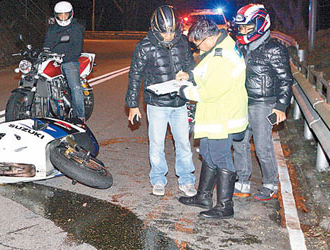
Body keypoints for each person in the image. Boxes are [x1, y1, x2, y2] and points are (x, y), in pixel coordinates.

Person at [177, 19, 248, 219]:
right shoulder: (221, 46)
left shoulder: (222, 55)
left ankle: (226, 206)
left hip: (222, 115)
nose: (196, 48)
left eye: (197, 44)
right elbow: (208, 75)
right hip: (215, 113)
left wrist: (185, 91)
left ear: (208, 38)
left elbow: (211, 91)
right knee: (208, 152)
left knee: (220, 157)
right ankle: (204, 196)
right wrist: (190, 77)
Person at [125, 5, 196, 196]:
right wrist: (132, 105)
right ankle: (157, 179)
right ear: (155, 29)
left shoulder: (182, 42)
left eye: (172, 31)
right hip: (156, 105)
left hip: (179, 102)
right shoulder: (144, 47)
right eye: (165, 32)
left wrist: (187, 75)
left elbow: (191, 65)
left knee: (183, 143)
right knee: (156, 144)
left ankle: (187, 179)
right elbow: (135, 76)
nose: (169, 36)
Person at [232, 4, 294, 201]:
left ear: (260, 25)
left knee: (262, 146)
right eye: (241, 28)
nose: (242, 32)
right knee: (239, 142)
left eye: (247, 28)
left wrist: (281, 106)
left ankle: (270, 183)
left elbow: (286, 80)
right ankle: (242, 181)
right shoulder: (240, 47)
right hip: (243, 100)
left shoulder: (275, 49)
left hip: (264, 103)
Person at [43, 1, 85, 121]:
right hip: (53, 60)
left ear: (71, 14)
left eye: (65, 15)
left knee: (76, 88)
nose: (62, 18)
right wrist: (45, 53)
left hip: (69, 61)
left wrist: (64, 58)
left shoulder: (76, 28)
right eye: (60, 15)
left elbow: (77, 48)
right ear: (56, 16)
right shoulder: (52, 29)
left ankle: (80, 117)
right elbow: (47, 44)